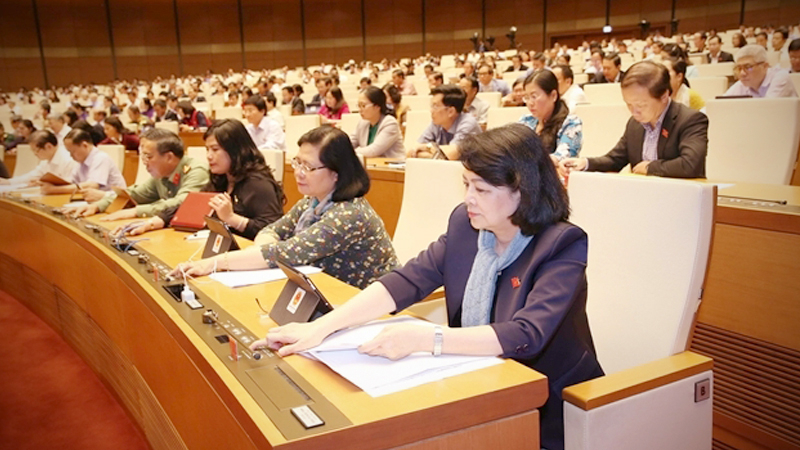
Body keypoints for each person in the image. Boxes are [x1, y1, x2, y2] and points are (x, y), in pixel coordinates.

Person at [253, 124, 603, 450]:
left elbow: (527, 334)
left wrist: (425, 340)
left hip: (552, 405)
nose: (468, 198)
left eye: (481, 189)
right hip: (474, 381)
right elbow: (407, 281)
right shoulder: (466, 227)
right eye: (466, 184)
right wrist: (321, 328)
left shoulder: (561, 245)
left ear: (522, 190)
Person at [170, 126, 399, 289]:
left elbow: (284, 253)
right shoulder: (313, 201)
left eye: (307, 166)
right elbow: (270, 232)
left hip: (367, 304)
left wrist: (213, 263)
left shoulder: (349, 214)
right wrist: (265, 251)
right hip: (325, 292)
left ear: (336, 173)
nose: (298, 172)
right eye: (297, 162)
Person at [117, 120, 284, 240]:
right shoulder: (221, 178)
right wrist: (154, 221)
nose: (209, 156)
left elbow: (274, 230)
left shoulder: (258, 183)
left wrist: (233, 219)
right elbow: (191, 206)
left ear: (235, 150)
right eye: (207, 149)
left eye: (215, 149)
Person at [559, 61, 708, 178]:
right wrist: (585, 163)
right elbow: (615, 159)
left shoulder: (690, 120)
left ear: (664, 96)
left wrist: (650, 168)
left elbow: (690, 164)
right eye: (628, 104)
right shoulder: (635, 123)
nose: (634, 111)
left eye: (641, 105)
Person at [67, 128, 209, 220]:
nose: (144, 162)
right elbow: (133, 194)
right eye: (142, 156)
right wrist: (97, 206)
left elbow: (182, 203)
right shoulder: (161, 175)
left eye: (149, 157)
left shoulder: (196, 171)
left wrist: (137, 211)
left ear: (169, 157)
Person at [518, 70, 582, 163]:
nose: (530, 103)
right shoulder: (525, 121)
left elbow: (562, 157)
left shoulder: (571, 123)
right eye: (527, 97)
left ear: (553, 96)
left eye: (534, 96)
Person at [40, 128, 126, 197]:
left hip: (113, 202)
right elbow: (72, 183)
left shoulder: (100, 158)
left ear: (85, 145)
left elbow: (91, 186)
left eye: (72, 152)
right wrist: (52, 184)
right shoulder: (81, 162)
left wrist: (53, 190)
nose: (71, 156)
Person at [409, 84, 482, 159]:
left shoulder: (468, 123)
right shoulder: (436, 123)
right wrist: (433, 153)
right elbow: (412, 151)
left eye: (436, 106)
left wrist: (427, 147)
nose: (431, 111)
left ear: (451, 111)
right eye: (432, 106)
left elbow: (449, 155)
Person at [0, 130, 77, 186]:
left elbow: (71, 185)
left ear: (48, 146)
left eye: (36, 150)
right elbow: (32, 176)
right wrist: (8, 182)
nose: (35, 154)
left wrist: (44, 184)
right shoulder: (46, 160)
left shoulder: (68, 159)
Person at [349, 86, 404, 158]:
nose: (360, 110)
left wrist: (349, 152)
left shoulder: (390, 123)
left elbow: (374, 151)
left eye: (363, 105)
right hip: (370, 165)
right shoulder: (363, 123)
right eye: (359, 106)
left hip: (391, 167)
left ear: (377, 106)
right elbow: (349, 143)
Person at [724, 45, 798, 98]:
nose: (742, 73)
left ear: (765, 66)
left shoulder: (780, 78)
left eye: (748, 67)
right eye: (739, 68)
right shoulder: (743, 83)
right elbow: (722, 104)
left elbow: (766, 110)